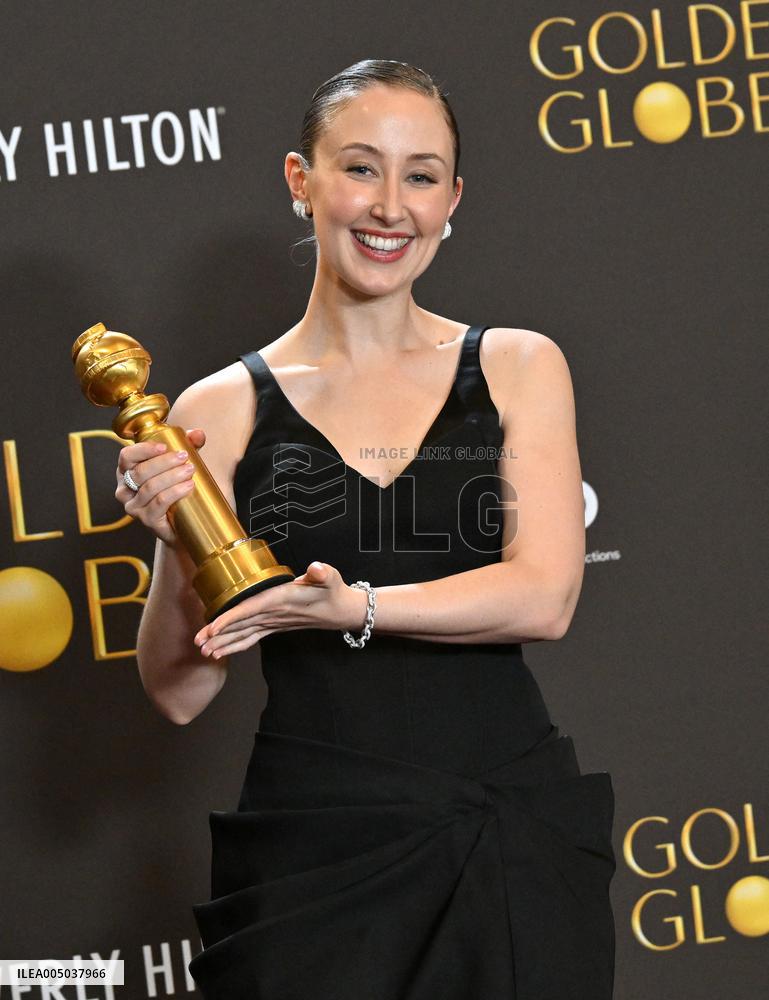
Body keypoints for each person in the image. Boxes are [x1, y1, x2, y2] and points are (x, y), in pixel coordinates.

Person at [116, 59, 616, 1000]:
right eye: (360, 168)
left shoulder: (515, 365)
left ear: (452, 198)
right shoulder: (219, 409)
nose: (390, 206)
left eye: (420, 176)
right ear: (300, 180)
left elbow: (545, 596)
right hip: (311, 839)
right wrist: (175, 534)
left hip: (503, 828)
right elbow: (179, 694)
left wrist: (356, 606)